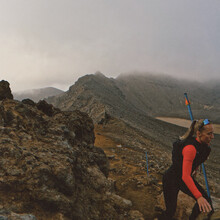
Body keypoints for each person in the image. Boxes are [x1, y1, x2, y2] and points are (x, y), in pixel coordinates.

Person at [159, 119, 214, 220]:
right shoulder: (190, 148)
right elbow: (185, 176)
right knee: (171, 210)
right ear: (198, 133)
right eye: (209, 134)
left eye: (212, 133)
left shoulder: (205, 147)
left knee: (207, 200)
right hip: (172, 179)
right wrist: (198, 197)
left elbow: (197, 160)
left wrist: (195, 169)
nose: (212, 137)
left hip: (184, 178)